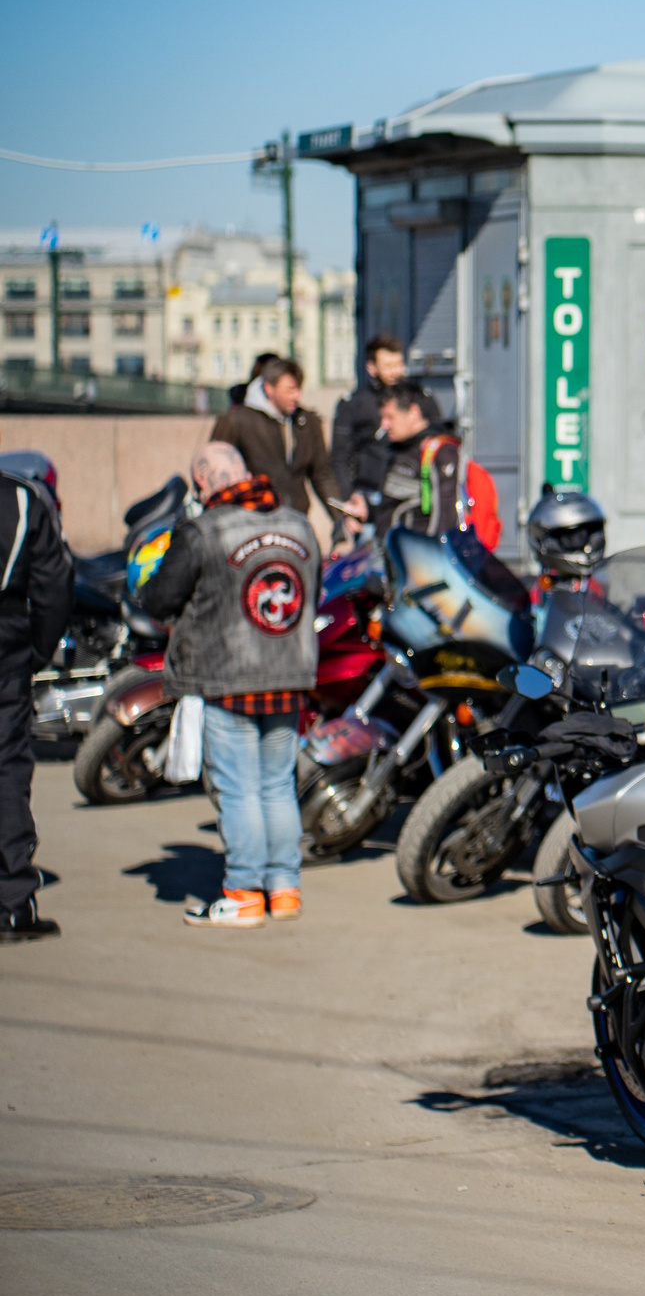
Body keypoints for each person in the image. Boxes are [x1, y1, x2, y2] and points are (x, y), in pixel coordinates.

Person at [141, 442, 320, 929]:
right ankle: (284, 890)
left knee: (238, 789)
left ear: (202, 483)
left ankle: (243, 893)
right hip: (290, 675)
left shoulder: (202, 530)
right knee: (278, 785)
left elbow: (160, 598)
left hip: (227, 679)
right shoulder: (299, 525)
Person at [0, 454, 73, 942]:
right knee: (6, 770)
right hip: (6, 649)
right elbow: (54, 587)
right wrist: (38, 651)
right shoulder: (22, 498)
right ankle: (11, 905)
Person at [210, 356, 342, 529]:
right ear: (269, 388)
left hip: (297, 521)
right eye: (289, 390)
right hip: (253, 521)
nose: (297, 396)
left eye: (298, 389)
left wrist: (340, 517)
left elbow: (322, 475)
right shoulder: (237, 421)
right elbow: (216, 468)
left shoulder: (306, 422)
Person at [375, 382, 468, 538]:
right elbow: (394, 506)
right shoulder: (398, 450)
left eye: (390, 417)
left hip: (419, 556)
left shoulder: (441, 452)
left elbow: (446, 516)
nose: (384, 425)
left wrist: (431, 555)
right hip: (393, 553)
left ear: (413, 412)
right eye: (382, 417)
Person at [331, 333, 406, 517]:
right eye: (388, 366)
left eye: (398, 364)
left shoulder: (416, 401)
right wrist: (348, 501)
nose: (395, 371)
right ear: (371, 368)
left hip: (406, 494)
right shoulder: (354, 403)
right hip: (369, 497)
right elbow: (339, 456)